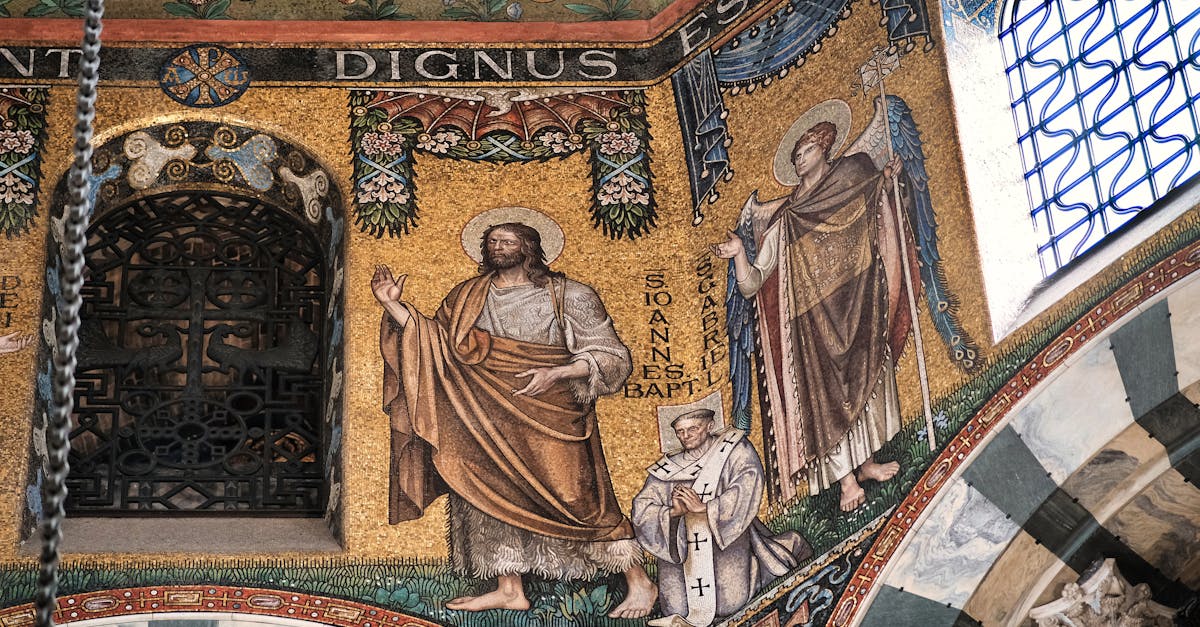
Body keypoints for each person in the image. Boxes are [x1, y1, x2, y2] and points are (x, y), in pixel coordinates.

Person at [372, 220, 657, 618]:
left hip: (552, 409)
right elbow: (435, 345)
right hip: (483, 413)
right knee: (486, 490)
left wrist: (557, 373)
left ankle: (638, 580)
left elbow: (612, 356)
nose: (497, 248)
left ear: (530, 246)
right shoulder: (467, 296)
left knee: (578, 498)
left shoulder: (568, 294)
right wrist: (392, 304)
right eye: (491, 242)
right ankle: (510, 588)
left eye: (507, 241)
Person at [711, 121, 905, 512]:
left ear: (824, 147)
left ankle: (865, 463)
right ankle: (846, 481)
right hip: (810, 318)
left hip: (856, 296)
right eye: (795, 155)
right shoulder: (787, 216)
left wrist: (885, 181)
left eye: (805, 151)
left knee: (860, 379)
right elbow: (752, 285)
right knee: (826, 398)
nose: (799, 160)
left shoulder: (852, 173)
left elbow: (872, 199)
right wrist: (739, 255)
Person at [632, 409, 810, 626]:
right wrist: (671, 514)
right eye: (680, 432)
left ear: (710, 425)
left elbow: (748, 482)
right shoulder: (665, 470)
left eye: (692, 429)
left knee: (731, 602)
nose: (686, 436)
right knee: (677, 609)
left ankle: (767, 559)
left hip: (723, 544)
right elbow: (642, 509)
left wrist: (706, 508)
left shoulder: (734, 449)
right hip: (681, 555)